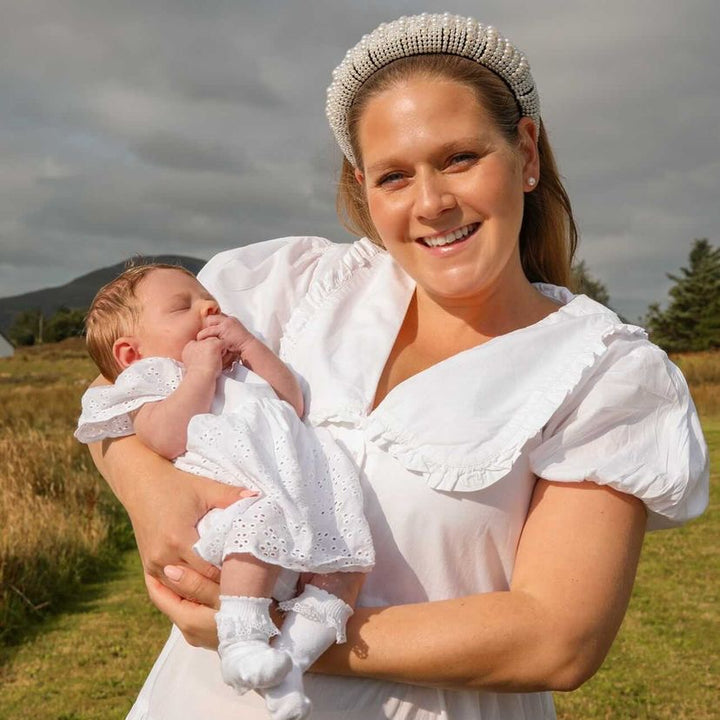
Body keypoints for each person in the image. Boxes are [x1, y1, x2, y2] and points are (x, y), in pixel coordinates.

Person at [87, 13, 709, 720]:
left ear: (526, 153)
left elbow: (557, 638)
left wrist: (277, 633)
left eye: (459, 158)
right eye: (393, 176)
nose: (432, 203)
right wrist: (148, 490)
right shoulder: (295, 290)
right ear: (363, 187)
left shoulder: (603, 373)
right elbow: (115, 386)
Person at [76, 263, 373, 720]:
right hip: (243, 507)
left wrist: (251, 348)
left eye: (207, 299)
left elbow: (291, 399)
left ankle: (289, 667)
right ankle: (242, 640)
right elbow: (167, 437)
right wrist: (199, 373)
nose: (208, 307)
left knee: (346, 570)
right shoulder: (154, 382)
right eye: (182, 306)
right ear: (131, 354)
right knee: (255, 530)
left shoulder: (239, 368)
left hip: (303, 503)